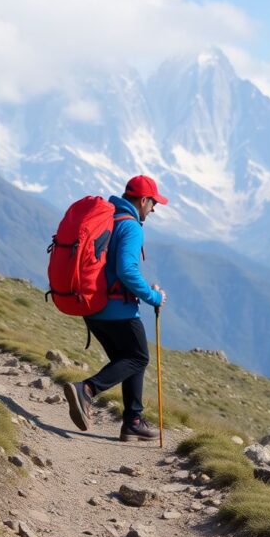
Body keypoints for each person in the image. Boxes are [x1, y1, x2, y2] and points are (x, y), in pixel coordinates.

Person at [64, 175, 168, 441]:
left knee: (130, 360)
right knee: (138, 357)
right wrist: (153, 297)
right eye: (153, 203)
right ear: (143, 200)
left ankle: (132, 420)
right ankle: (86, 389)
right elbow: (127, 269)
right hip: (118, 309)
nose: (153, 209)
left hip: (92, 308)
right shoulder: (131, 227)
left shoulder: (107, 218)